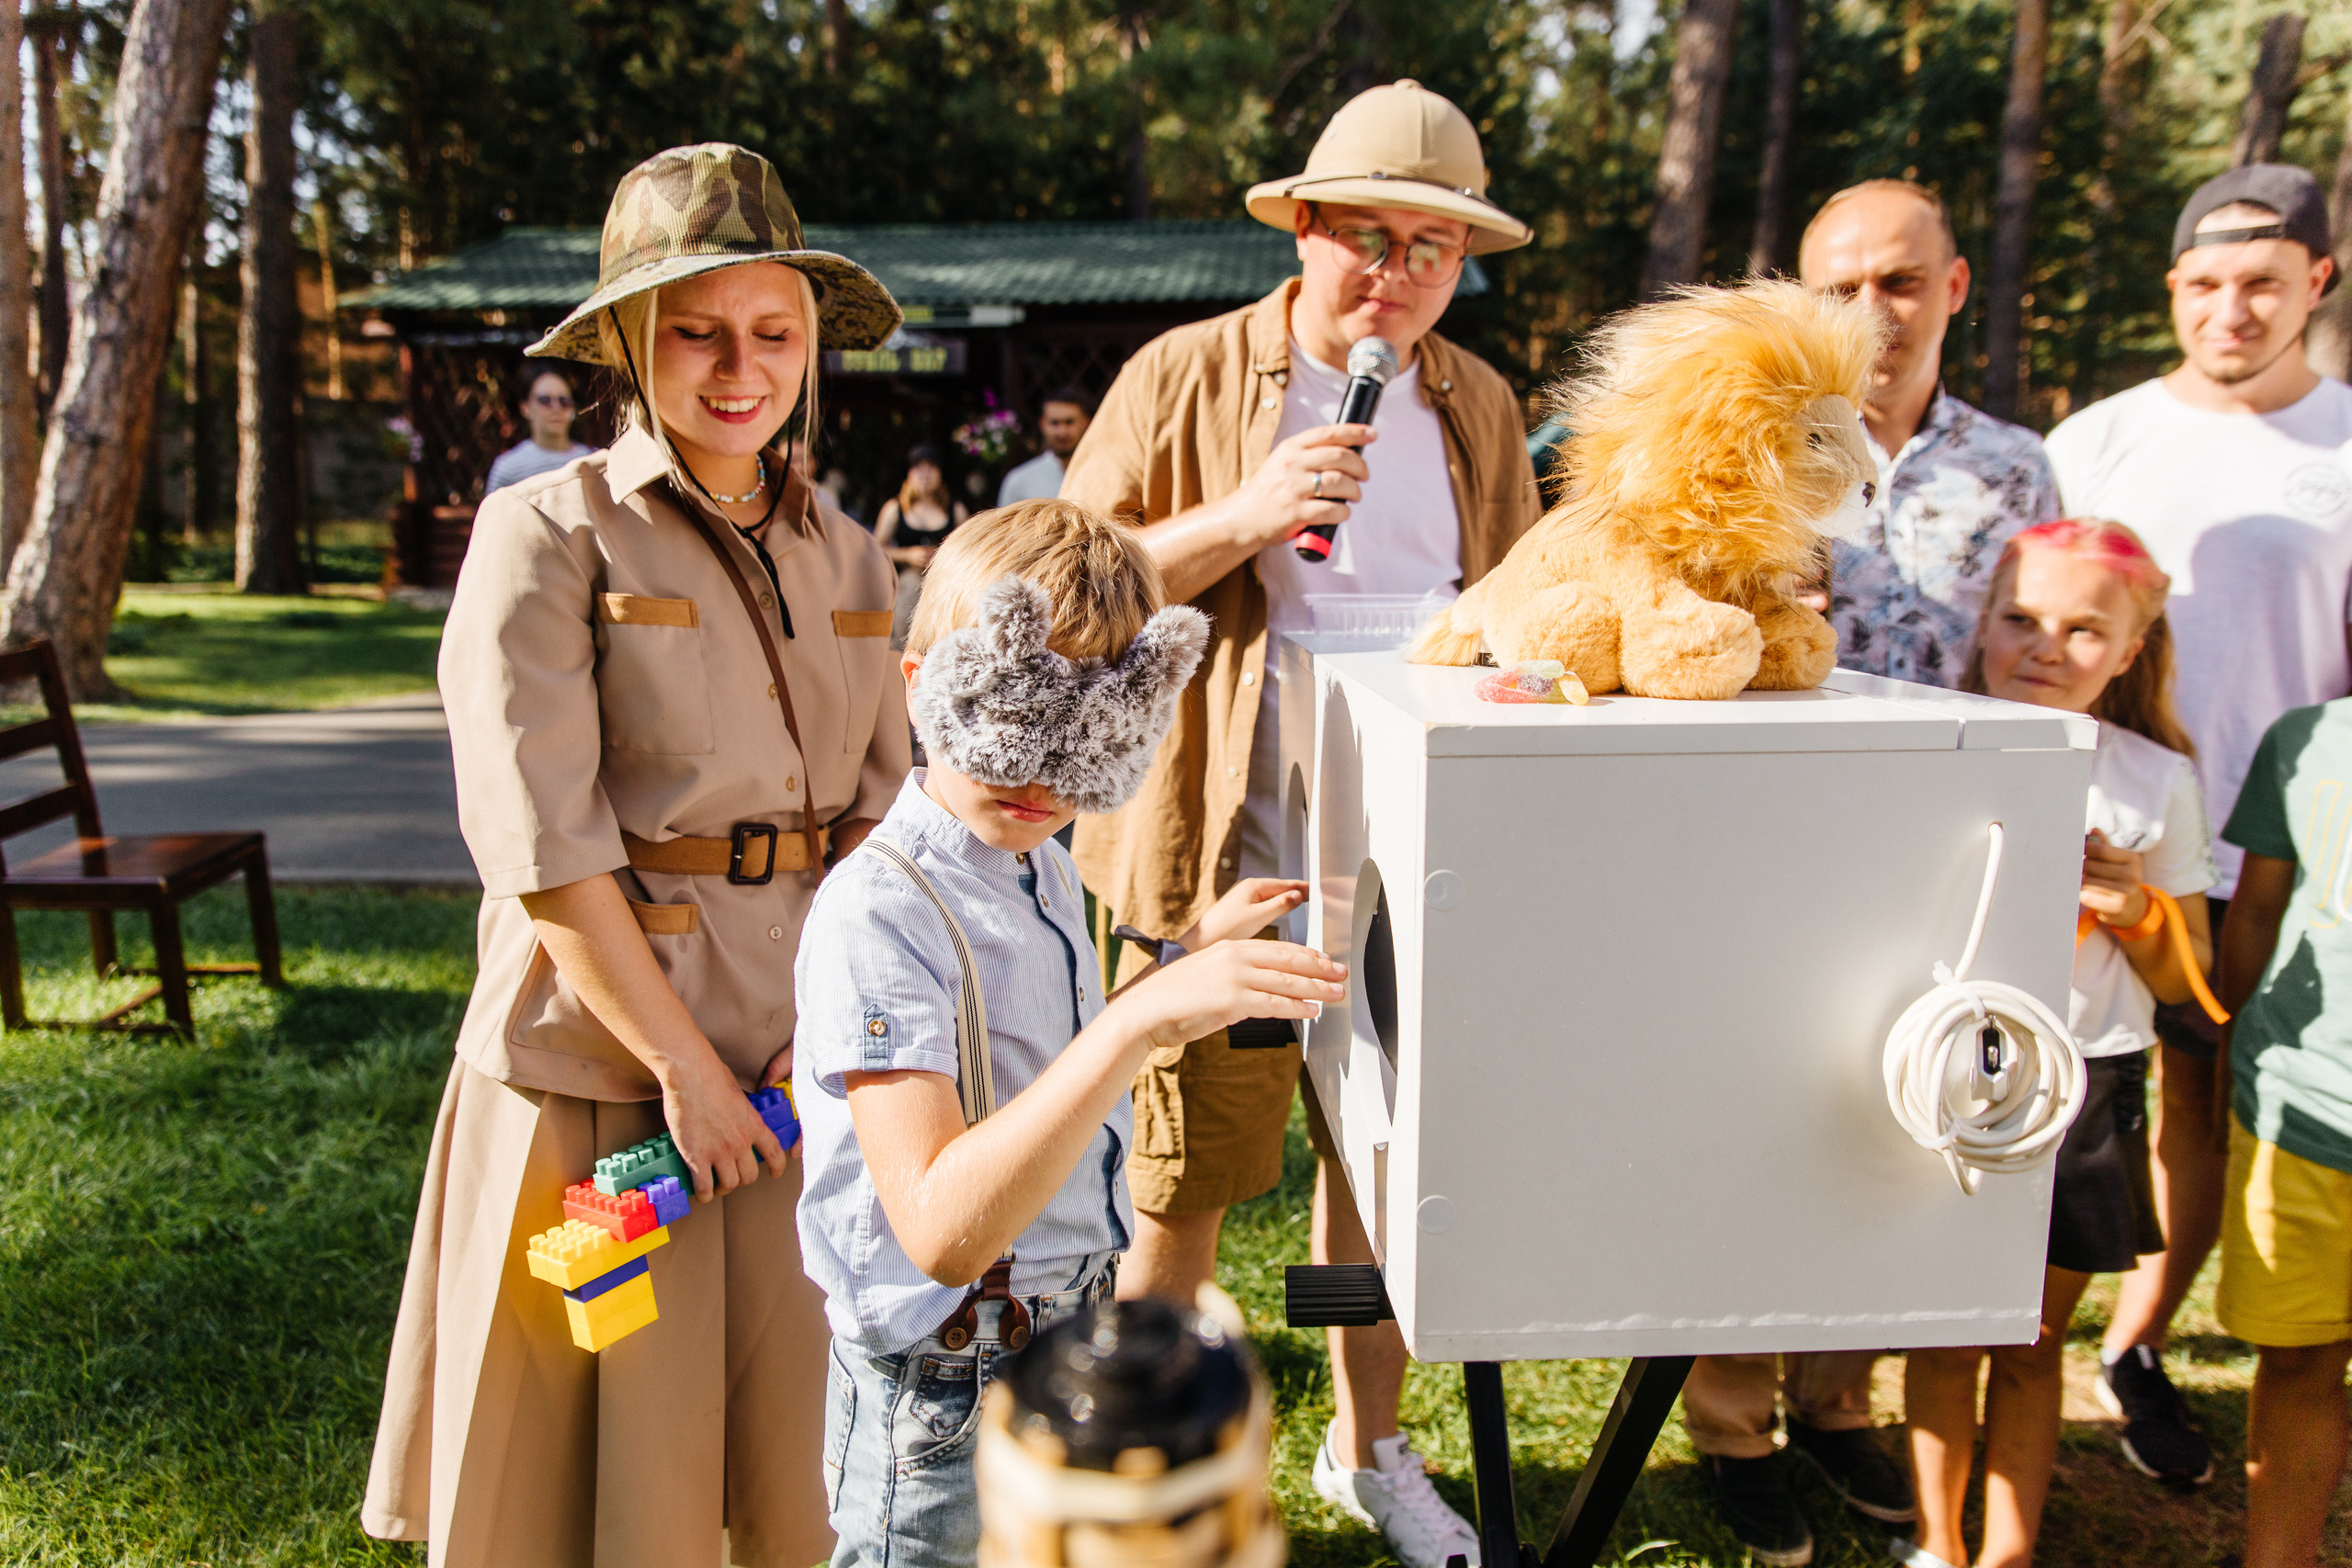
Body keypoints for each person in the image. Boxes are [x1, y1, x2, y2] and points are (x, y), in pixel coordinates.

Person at [361, 142, 910, 1568]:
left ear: (809, 343)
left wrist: (824, 1030)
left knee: (793, 1466)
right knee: (593, 1468)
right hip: (607, 1075)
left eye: (772, 332)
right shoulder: (542, 534)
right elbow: (542, 842)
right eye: (697, 331)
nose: (742, 367)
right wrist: (682, 1067)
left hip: (793, 1072)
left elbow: (881, 812)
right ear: (625, 340)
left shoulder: (851, 556)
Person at [1060, 77, 1539, 1568]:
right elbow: (1059, 591)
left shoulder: (1476, 402)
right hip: (1217, 857)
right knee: (1186, 1180)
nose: (1396, 276)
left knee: (1382, 1174)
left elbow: (1519, 603)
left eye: (1432, 248)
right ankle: (1159, 1469)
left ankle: (1367, 1443)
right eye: (1369, 238)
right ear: (1306, 231)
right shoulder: (1185, 377)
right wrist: (1245, 515)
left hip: (1412, 863)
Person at [792, 501, 1347, 1568]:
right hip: (942, 1388)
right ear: (923, 685)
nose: (1045, 782)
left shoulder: (1033, 848)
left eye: (1084, 749)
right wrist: (1140, 1021)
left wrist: (1178, 961)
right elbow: (943, 1229)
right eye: (1013, 743)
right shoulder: (881, 916)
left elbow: (1043, 1056)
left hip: (1059, 1326)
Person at [2042, 162, 2352, 1487]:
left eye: (2265, 284)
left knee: (2217, 1093)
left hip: (2282, 841)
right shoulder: (2097, 438)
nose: (2234, 309)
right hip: (2120, 822)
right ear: (2175, 287)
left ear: (2317, 286)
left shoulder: (2347, 442)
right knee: (2116, 1079)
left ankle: (2151, 1336)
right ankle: (2095, 1319)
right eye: (2208, 284)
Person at [1889, 519, 2219, 1568]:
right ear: (1979, 623)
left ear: (2130, 651)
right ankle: (1941, 1545)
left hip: (2084, 1081)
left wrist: (2134, 909)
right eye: (2020, 618)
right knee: (1943, 1334)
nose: (2044, 646)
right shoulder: (1917, 749)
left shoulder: (2153, 779)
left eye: (2085, 631)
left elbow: (2189, 983)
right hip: (1945, 1075)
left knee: (2029, 1340)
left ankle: (2009, 1552)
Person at [1798, 179, 2059, 686]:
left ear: (1955, 286)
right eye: (1841, 292)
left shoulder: (2020, 467)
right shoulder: (1761, 460)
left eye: (1900, 282)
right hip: (1796, 756)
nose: (1870, 313)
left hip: (1970, 759)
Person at [2211, 702, 2352, 1568]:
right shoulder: (2305, 738)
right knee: (2299, 1361)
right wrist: (2236, 1043)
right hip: (2299, 1112)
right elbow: (2257, 909)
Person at [875, 443, 968, 646]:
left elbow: (969, 548)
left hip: (943, 587)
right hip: (905, 587)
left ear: (941, 474)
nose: (925, 475)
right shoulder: (895, 508)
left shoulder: (955, 509)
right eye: (918, 468)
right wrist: (907, 555)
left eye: (931, 468)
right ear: (908, 474)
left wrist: (941, 555)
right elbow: (876, 548)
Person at [483, 363, 598, 494]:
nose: (556, 408)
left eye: (564, 401)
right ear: (525, 408)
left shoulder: (593, 461)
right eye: (545, 401)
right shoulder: (508, 469)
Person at [997, 387, 1094, 505]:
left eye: (1069, 422)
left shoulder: (1104, 475)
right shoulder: (1018, 481)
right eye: (1055, 423)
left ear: (1085, 422)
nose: (1062, 432)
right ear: (1042, 424)